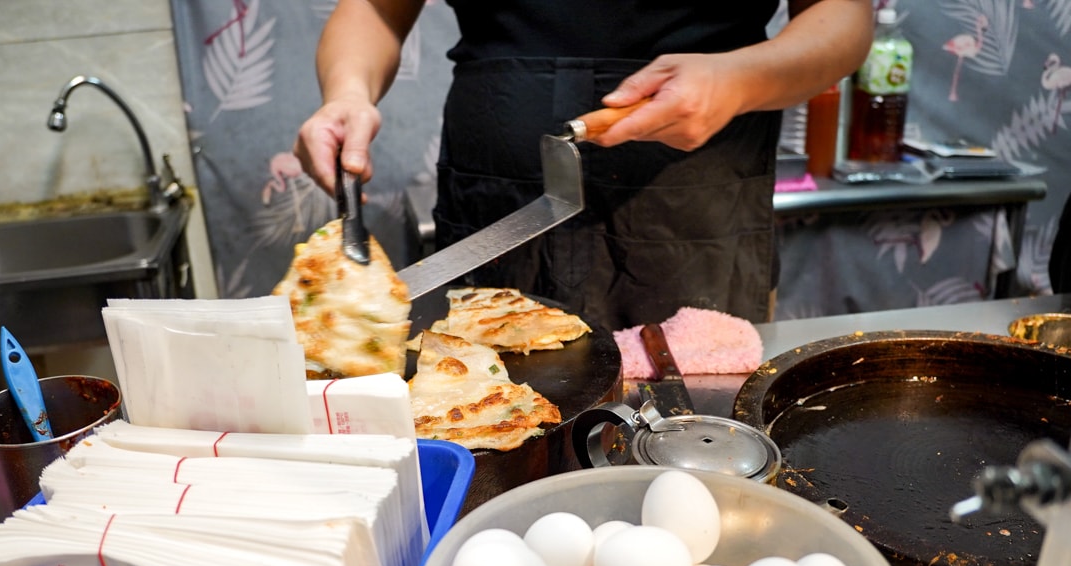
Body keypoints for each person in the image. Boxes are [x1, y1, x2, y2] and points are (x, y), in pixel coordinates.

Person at [294, 0, 874, 330]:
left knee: (691, 424)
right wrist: (348, 90)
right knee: (485, 410)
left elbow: (841, 19)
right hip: (496, 200)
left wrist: (741, 79)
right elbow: (374, 9)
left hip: (695, 201)